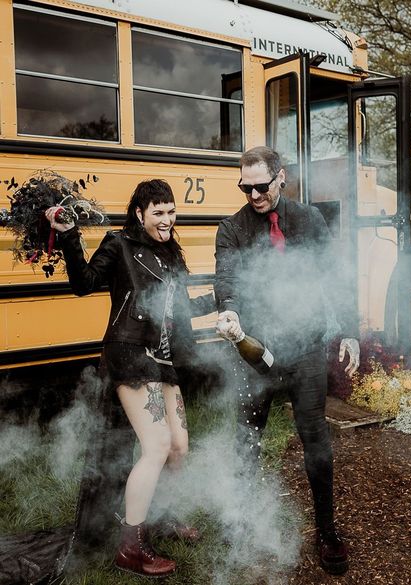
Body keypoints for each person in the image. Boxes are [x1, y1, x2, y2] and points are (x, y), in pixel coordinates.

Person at [45, 179, 213, 578]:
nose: (167, 219)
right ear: (140, 214)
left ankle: (160, 515)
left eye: (171, 212)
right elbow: (82, 283)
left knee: (179, 448)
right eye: (158, 213)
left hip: (164, 360)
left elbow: (183, 313)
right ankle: (130, 548)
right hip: (130, 355)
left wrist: (226, 301)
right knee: (156, 446)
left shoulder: (172, 254)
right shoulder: (119, 244)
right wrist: (69, 236)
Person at [214, 146, 360, 576]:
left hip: (306, 347)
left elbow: (334, 273)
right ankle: (241, 519)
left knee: (316, 439)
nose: (254, 195)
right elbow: (226, 275)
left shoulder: (309, 220)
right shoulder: (232, 228)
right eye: (246, 187)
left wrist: (349, 328)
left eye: (261, 186)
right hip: (256, 350)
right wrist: (230, 309)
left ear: (281, 178)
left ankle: (326, 530)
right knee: (247, 439)